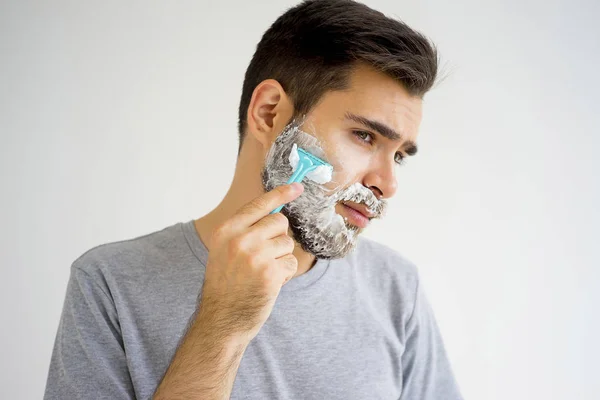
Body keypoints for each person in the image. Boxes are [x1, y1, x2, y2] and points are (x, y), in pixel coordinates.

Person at [44, 0, 463, 399]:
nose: (387, 184)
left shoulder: (395, 288)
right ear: (269, 113)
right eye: (365, 136)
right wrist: (222, 326)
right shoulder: (111, 284)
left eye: (400, 156)